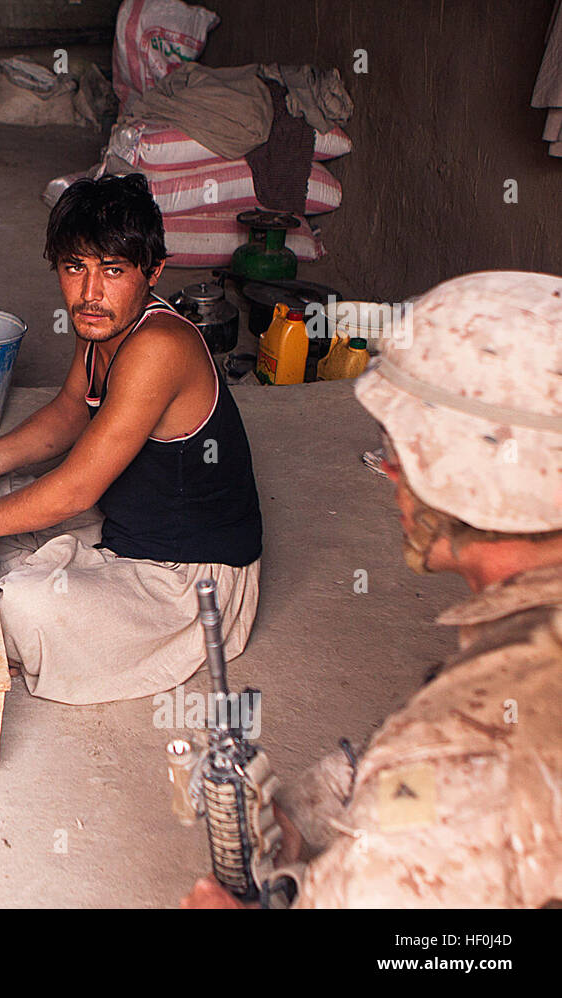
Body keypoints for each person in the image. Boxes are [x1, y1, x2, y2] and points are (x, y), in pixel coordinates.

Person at [183, 270, 562, 908]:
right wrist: (308, 808)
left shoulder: (464, 756)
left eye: (400, 443)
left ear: (468, 469)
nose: (387, 467)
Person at [0, 175, 263, 704]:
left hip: (188, 578)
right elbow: (68, 412)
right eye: (74, 268)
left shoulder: (159, 346)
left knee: (26, 601)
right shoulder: (104, 327)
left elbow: (74, 493)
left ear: (152, 271)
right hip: (125, 524)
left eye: (113, 271)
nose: (89, 293)